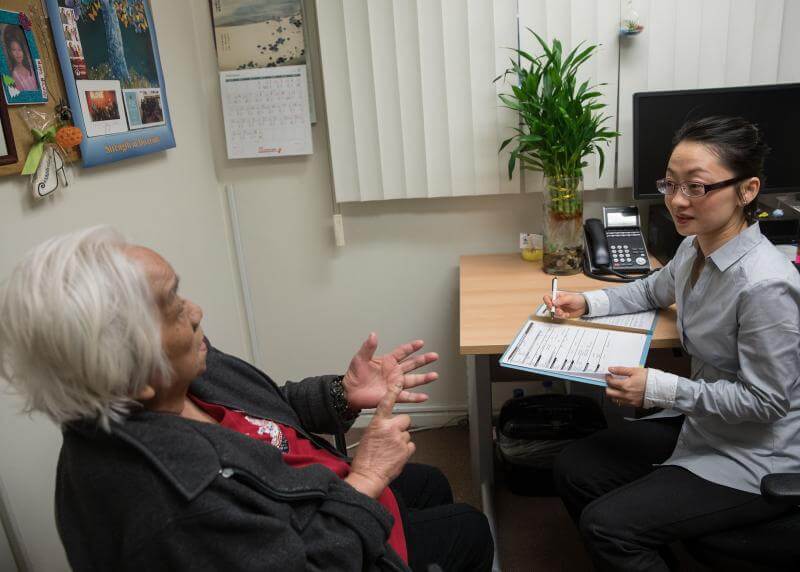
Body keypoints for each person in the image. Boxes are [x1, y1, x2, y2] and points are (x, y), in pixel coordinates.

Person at [0, 227, 493, 572]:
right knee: (469, 529)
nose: (196, 312)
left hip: (318, 493)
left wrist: (342, 395)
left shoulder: (183, 375)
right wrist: (365, 479)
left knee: (426, 484)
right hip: (327, 534)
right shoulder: (177, 509)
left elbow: (268, 410)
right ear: (133, 373)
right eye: (174, 306)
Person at [544, 116, 800, 571]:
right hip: (706, 424)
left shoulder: (764, 286)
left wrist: (660, 389)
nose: (677, 201)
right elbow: (651, 289)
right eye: (670, 184)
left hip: (756, 453)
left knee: (608, 526)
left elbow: (767, 401)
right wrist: (584, 301)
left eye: (697, 187)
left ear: (747, 190)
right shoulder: (696, 246)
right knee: (576, 465)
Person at [3, 26, 37, 92]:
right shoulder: (13, 75)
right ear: (10, 52)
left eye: (20, 49)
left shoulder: (30, 65)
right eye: (14, 50)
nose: (18, 53)